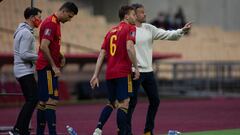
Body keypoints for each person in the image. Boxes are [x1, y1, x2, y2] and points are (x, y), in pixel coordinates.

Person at [127, 3, 192, 135]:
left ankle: (148, 131)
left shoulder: (149, 28)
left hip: (148, 71)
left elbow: (167, 34)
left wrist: (181, 31)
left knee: (155, 100)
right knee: (131, 103)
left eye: (144, 12)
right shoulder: (127, 29)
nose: (144, 14)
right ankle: (126, 131)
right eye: (141, 12)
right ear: (134, 14)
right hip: (134, 72)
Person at [90, 5, 140, 135]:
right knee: (124, 104)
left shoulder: (110, 31)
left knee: (111, 103)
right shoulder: (130, 28)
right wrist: (136, 67)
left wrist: (95, 74)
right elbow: (129, 48)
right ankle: (121, 132)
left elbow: (101, 54)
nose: (135, 17)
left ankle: (98, 129)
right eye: (133, 15)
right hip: (123, 72)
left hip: (110, 73)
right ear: (126, 16)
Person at [35, 2, 78, 135]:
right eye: (69, 16)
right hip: (47, 67)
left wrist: (60, 54)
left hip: (47, 66)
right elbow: (43, 46)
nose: (69, 20)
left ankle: (40, 132)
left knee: (43, 101)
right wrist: (54, 65)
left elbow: (50, 44)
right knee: (51, 99)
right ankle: (52, 132)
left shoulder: (55, 22)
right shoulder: (51, 23)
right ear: (64, 11)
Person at [10, 7, 42, 135]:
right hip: (24, 71)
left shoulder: (22, 30)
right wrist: (40, 57)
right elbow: (24, 54)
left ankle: (20, 129)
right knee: (32, 99)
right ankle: (18, 129)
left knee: (31, 99)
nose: (40, 20)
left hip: (22, 70)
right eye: (39, 17)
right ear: (31, 17)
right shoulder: (26, 33)